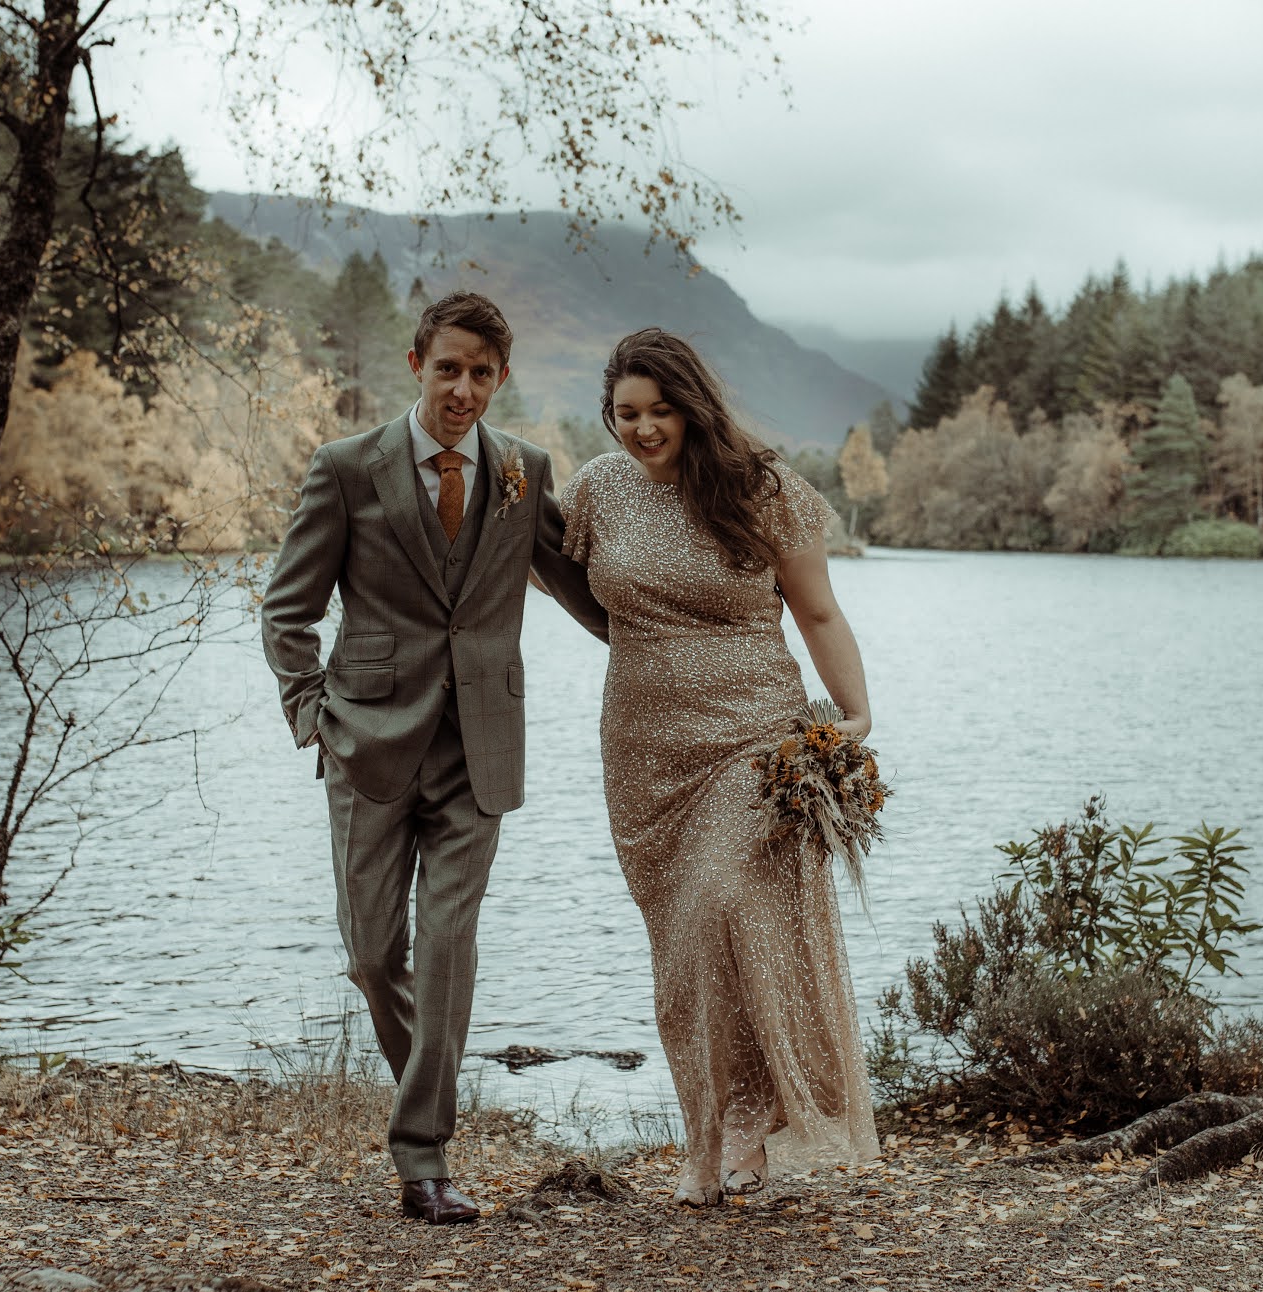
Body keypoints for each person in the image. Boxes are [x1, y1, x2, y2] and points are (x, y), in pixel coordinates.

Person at [260, 292, 609, 1224]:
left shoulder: (525, 472)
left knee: (448, 946)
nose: (463, 388)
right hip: (367, 742)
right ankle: (434, 1092)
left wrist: (685, 640)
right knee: (376, 956)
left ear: (503, 377)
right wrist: (313, 718)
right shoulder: (345, 469)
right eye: (448, 368)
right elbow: (285, 610)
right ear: (415, 363)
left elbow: (587, 592)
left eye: (482, 373)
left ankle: (425, 1156)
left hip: (480, 748)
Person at [558, 327, 880, 1206]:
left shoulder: (763, 489)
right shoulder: (596, 489)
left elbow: (816, 612)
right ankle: (709, 1139)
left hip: (753, 738)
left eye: (661, 409)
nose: (644, 428)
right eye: (627, 413)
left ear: (694, 406)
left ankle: (748, 1129)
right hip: (644, 754)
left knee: (727, 899)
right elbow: (554, 571)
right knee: (688, 950)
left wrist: (852, 711)